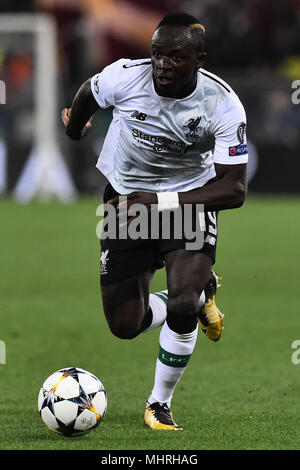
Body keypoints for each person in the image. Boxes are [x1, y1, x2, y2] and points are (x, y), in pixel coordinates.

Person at [62, 12, 248, 431]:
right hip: (125, 200)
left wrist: (159, 201)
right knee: (125, 325)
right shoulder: (125, 77)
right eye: (157, 54)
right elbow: (88, 92)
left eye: (176, 57)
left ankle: (158, 404)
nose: (163, 64)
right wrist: (75, 129)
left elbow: (234, 190)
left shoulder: (222, 104)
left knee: (183, 301)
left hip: (188, 202)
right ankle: (204, 293)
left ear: (199, 59)